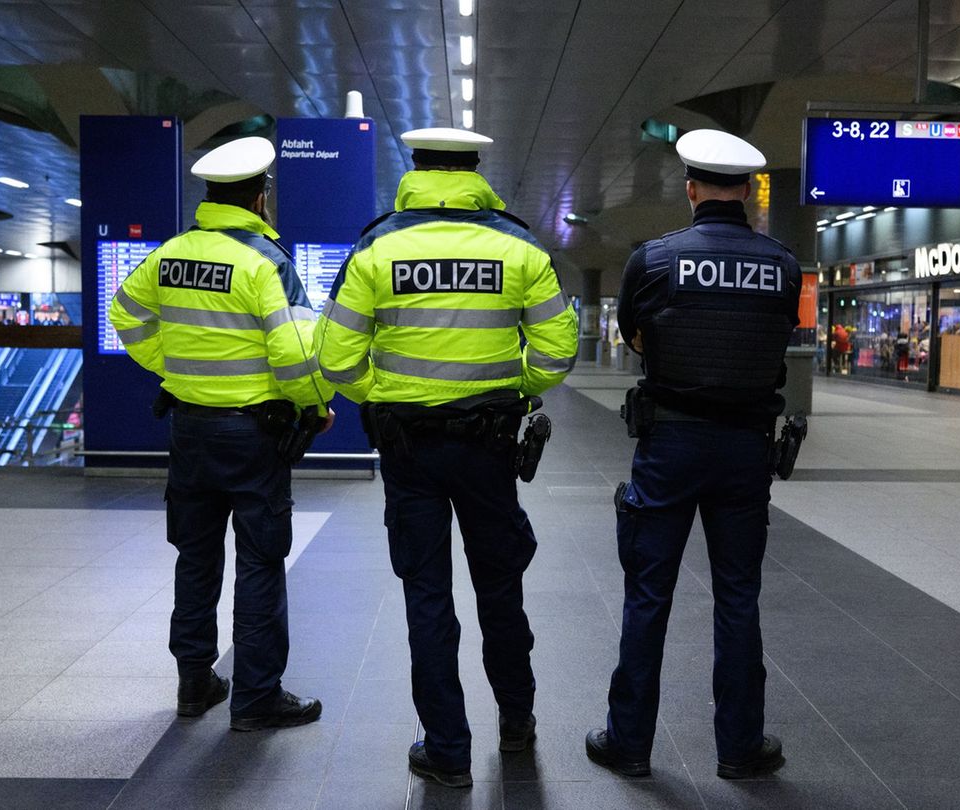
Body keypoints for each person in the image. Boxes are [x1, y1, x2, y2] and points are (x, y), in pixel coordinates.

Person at [316, 127, 578, 788]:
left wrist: (385, 396)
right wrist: (515, 388)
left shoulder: (377, 248)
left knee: (427, 598)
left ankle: (448, 751)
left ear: (416, 168)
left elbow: (336, 359)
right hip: (490, 447)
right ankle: (516, 723)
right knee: (500, 588)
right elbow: (556, 352)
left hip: (408, 451)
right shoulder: (517, 247)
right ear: (475, 170)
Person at [586, 129, 800, 781]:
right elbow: (778, 332)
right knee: (738, 597)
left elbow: (633, 334)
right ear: (750, 194)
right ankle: (739, 747)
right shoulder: (783, 265)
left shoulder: (655, 260)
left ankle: (629, 743)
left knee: (648, 593)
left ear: (691, 189)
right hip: (744, 450)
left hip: (670, 444)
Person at [108, 136, 333, 730]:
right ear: (261, 198)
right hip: (255, 435)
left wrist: (173, 367)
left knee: (196, 556)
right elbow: (295, 354)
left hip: (189, 429)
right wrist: (315, 405)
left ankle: (193, 684)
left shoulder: (171, 255)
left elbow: (124, 313)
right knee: (260, 560)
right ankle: (256, 697)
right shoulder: (267, 262)